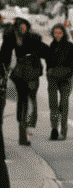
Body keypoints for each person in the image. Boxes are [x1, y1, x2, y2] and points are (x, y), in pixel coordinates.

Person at [4, 17, 44, 145]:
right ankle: (24, 129)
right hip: (22, 74)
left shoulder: (25, 38)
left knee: (24, 102)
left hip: (24, 74)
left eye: (24, 25)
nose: (22, 28)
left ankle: (23, 131)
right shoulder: (16, 38)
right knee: (24, 102)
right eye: (20, 26)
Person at [44, 23, 73, 141]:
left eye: (59, 33)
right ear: (53, 34)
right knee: (53, 104)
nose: (57, 35)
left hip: (66, 79)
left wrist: (68, 73)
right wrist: (48, 72)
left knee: (63, 105)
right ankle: (54, 129)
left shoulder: (70, 46)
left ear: (64, 33)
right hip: (53, 77)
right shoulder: (51, 46)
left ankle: (63, 132)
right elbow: (48, 63)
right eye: (55, 33)